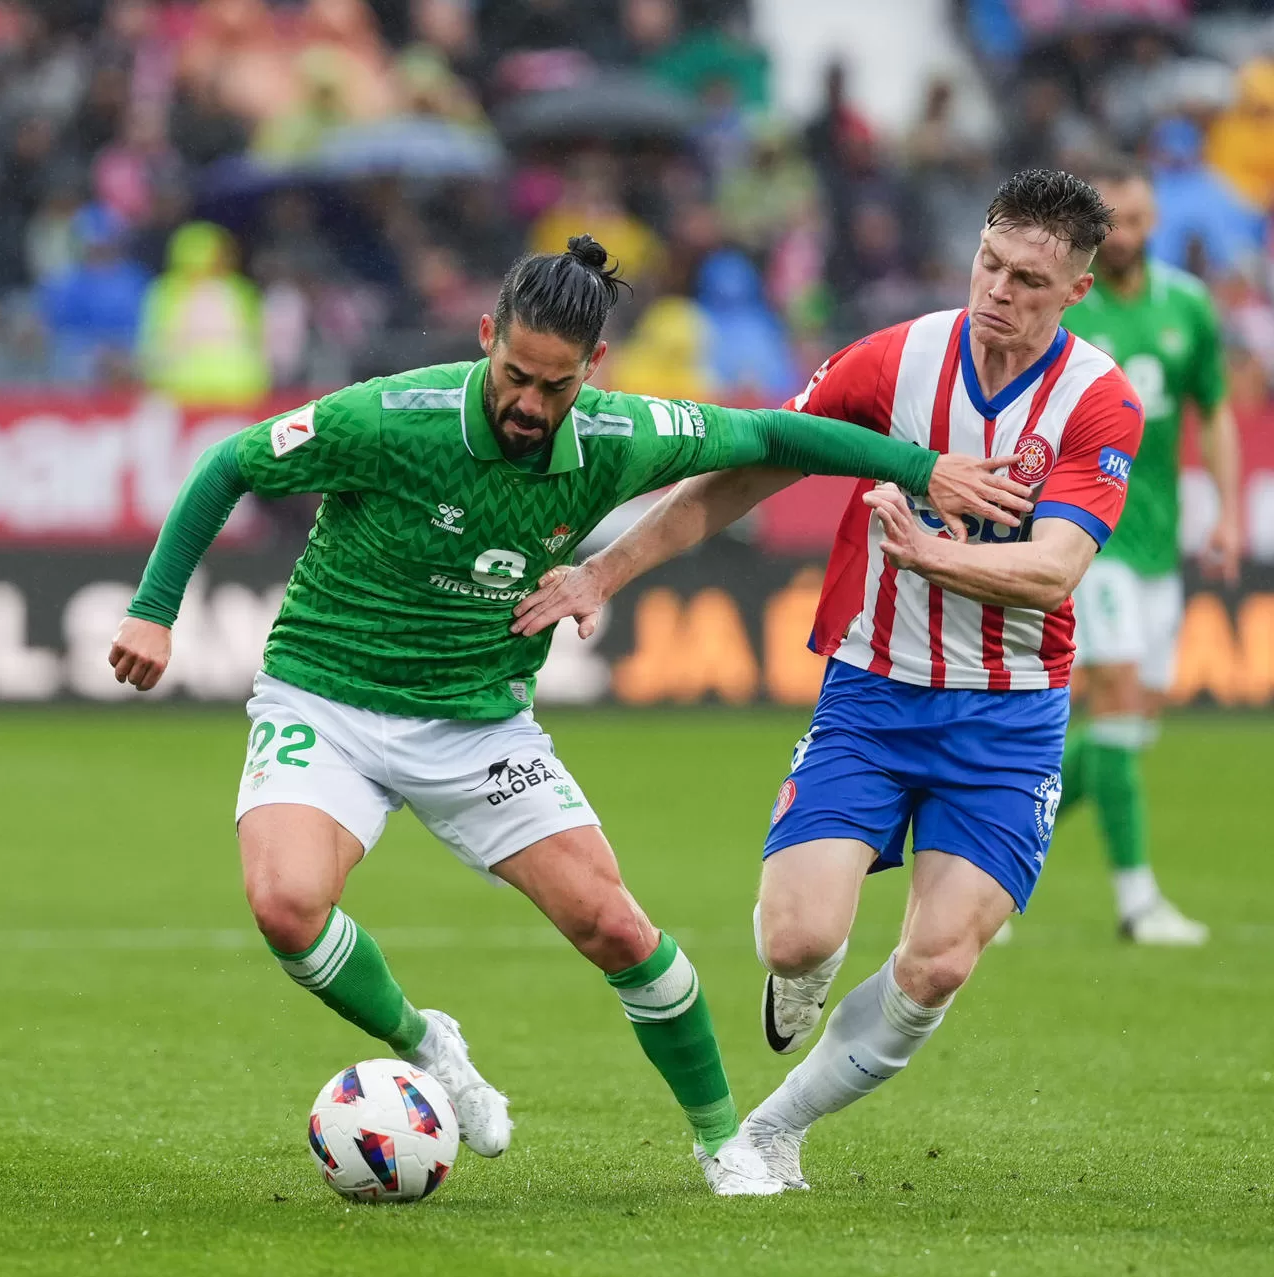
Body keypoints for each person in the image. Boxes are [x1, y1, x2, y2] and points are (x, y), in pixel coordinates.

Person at [106, 235, 1030, 1197]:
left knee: (617, 930)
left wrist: (922, 469)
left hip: (479, 723)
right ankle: (428, 1045)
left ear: (593, 368)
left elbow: (773, 436)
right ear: (486, 337)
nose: (529, 404)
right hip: (326, 696)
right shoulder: (389, 417)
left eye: (555, 386)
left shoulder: (622, 434)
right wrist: (153, 610)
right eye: (515, 375)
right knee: (285, 905)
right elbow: (229, 465)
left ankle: (725, 1144)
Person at [510, 171, 1140, 1190]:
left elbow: (1055, 568)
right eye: (989, 263)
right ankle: (804, 970)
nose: (998, 290)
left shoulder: (1098, 402)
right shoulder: (894, 360)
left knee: (937, 962)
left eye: (1028, 280)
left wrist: (928, 554)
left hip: (1011, 715)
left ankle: (775, 1127)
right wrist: (603, 571)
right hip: (873, 691)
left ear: (1075, 291)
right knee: (796, 940)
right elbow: (750, 467)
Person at [1060, 159, 1236, 945]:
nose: (1124, 236)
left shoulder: (1188, 306)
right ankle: (1138, 902)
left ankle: (982, 845)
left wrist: (1226, 511)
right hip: (1090, 536)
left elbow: (1215, 410)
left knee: (1130, 726)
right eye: (1112, 224)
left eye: (1135, 221)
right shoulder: (1068, 307)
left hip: (1160, 540)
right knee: (1117, 702)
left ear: (1153, 223)